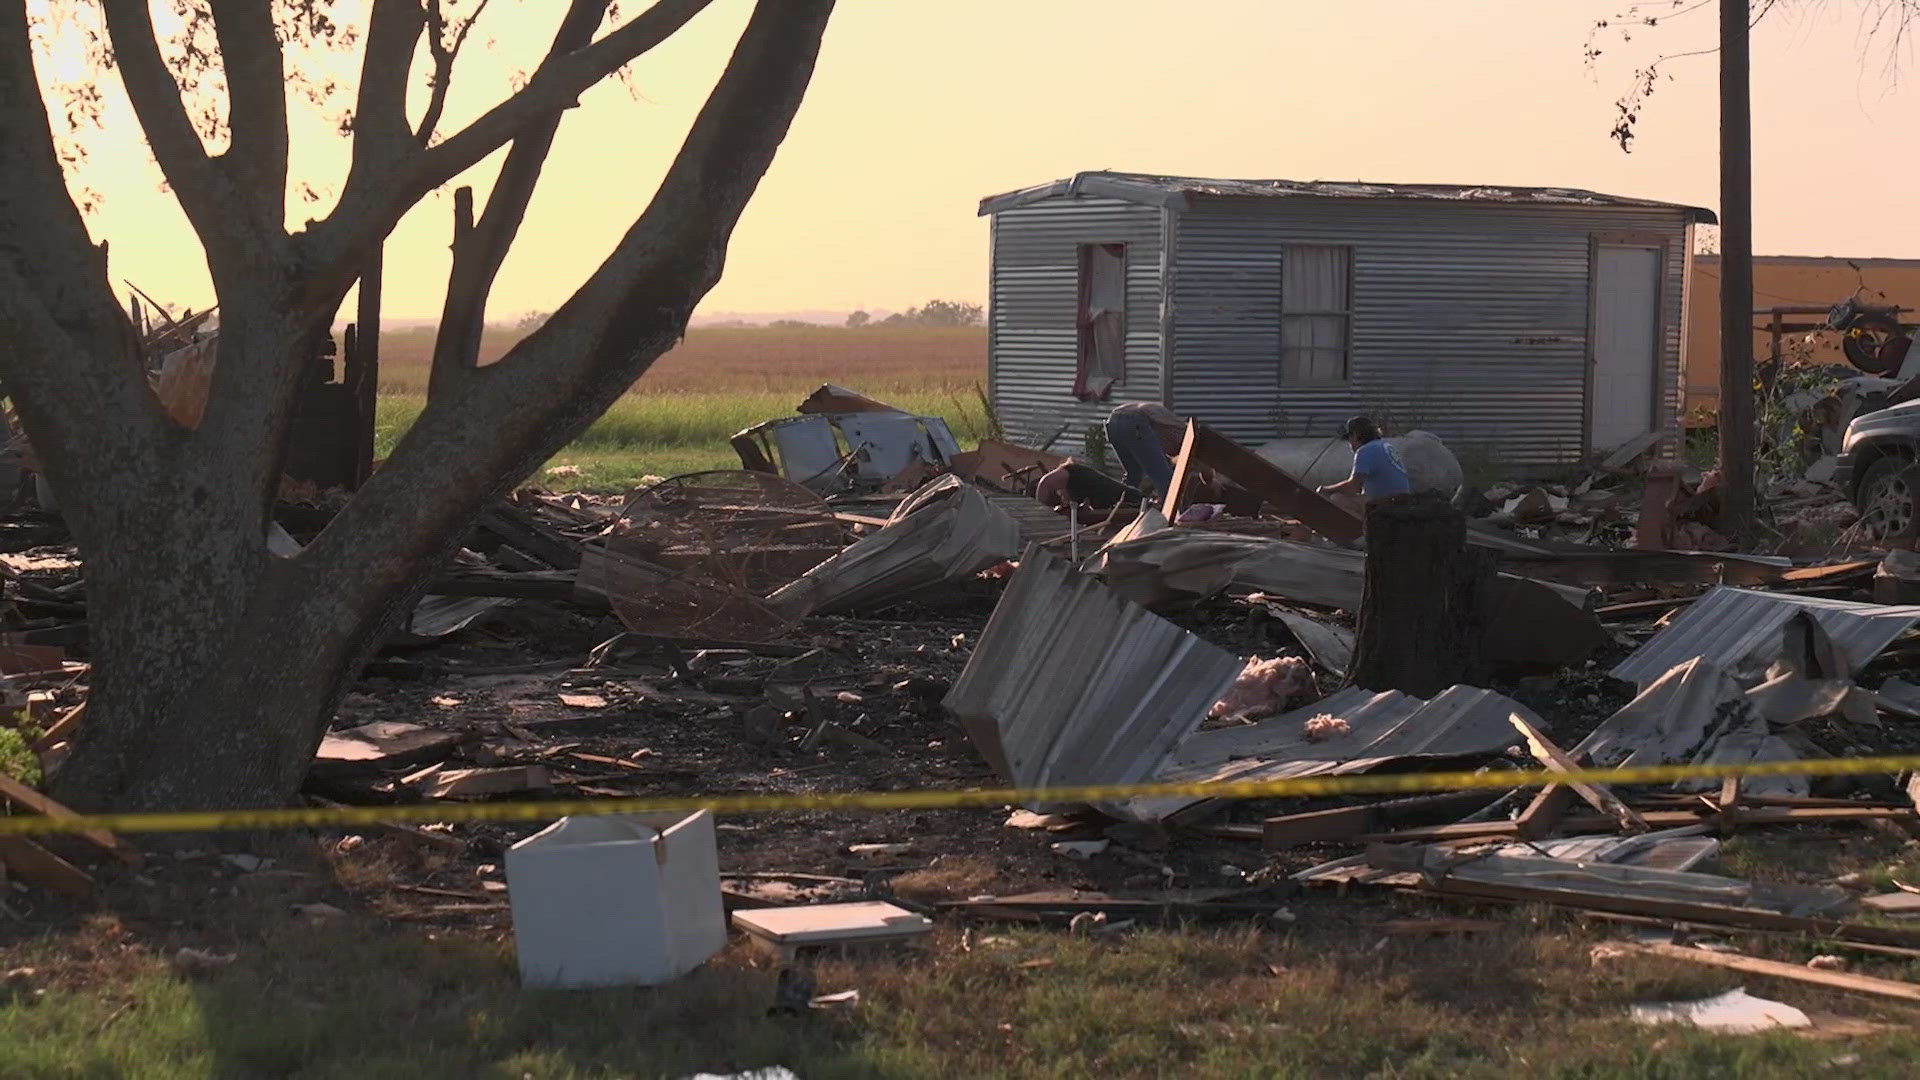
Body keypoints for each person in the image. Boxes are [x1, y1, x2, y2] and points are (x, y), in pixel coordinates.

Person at [1316, 416, 1410, 519]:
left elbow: (1353, 487)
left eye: (1349, 438)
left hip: (1385, 504)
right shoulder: (1386, 446)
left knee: (1336, 499)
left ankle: (1357, 533)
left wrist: (1325, 490)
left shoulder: (1365, 450)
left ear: (1356, 435)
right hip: (1401, 502)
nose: (1349, 444)